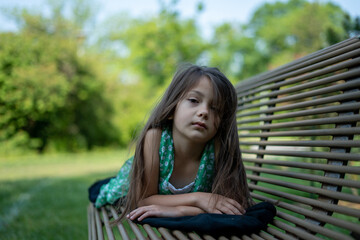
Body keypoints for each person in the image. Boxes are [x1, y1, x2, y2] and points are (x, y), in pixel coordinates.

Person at [89, 64, 254, 222]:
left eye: (215, 108)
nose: (204, 112)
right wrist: (197, 199)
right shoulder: (155, 138)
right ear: (172, 109)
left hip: (167, 201)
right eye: (194, 100)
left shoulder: (217, 148)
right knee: (105, 192)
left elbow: (232, 207)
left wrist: (183, 210)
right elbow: (142, 201)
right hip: (129, 188)